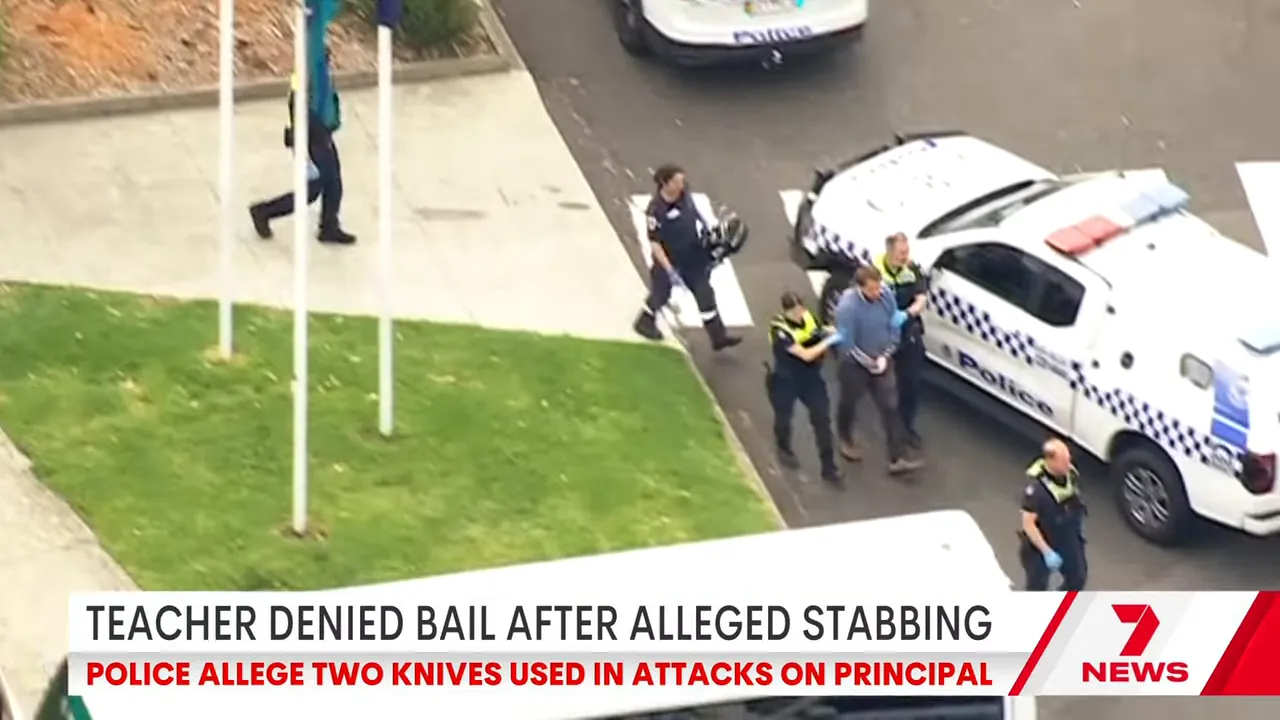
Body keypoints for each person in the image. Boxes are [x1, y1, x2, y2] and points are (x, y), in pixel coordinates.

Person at [248, 41, 355, 246]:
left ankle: (329, 226)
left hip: (321, 136)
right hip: (309, 140)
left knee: (333, 182)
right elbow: (299, 110)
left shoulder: (319, 75)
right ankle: (263, 212)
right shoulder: (305, 79)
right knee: (312, 189)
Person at [632, 165, 743, 350]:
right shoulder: (656, 210)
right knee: (661, 292)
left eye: (682, 180)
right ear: (665, 183)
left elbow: (693, 211)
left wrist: (707, 226)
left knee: (704, 292)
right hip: (669, 258)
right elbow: (654, 243)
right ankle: (644, 322)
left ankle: (718, 337)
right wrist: (669, 269)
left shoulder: (684, 194)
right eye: (677, 181)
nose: (681, 184)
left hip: (691, 254)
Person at [832, 265, 924, 475]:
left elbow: (893, 325)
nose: (876, 293)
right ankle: (845, 438)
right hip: (854, 364)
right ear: (859, 287)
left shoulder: (886, 295)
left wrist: (886, 354)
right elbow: (848, 344)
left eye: (878, 288)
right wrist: (870, 363)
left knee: (890, 406)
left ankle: (896, 458)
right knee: (849, 402)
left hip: (882, 358)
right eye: (871, 290)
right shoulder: (848, 308)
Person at [766, 291, 844, 484]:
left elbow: (818, 331)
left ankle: (829, 468)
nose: (801, 313)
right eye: (796, 311)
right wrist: (830, 341)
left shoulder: (808, 317)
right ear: (787, 311)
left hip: (811, 378)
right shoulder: (780, 330)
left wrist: (832, 331)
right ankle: (783, 447)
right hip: (786, 379)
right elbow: (806, 354)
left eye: (801, 309)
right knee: (784, 418)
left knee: (822, 421)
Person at [874, 233, 929, 448]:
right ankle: (889, 427)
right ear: (889, 251)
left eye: (906, 252)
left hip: (907, 333)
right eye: (900, 253)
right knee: (884, 386)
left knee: (911, 384)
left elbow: (922, 299)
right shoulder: (875, 272)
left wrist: (906, 314)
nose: (904, 257)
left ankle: (905, 427)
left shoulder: (912, 270)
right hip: (883, 334)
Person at [1019, 439, 1088, 591]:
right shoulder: (1035, 490)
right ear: (1051, 461)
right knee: (1037, 588)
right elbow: (1028, 524)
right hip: (1041, 542)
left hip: (1067, 537)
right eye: (1064, 461)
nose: (1068, 464)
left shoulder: (1069, 474)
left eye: (1068, 459)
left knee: (1078, 578)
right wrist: (1047, 552)